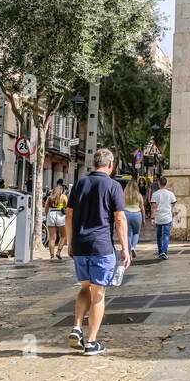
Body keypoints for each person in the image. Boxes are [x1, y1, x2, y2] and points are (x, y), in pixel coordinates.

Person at [64, 148, 130, 356]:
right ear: (110, 165)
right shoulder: (113, 186)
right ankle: (91, 342)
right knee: (98, 292)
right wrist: (125, 249)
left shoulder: (80, 184)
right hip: (101, 246)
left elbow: (69, 214)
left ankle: (76, 326)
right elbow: (119, 218)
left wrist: (70, 242)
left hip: (80, 245)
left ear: (94, 164)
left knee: (85, 287)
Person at [150, 176, 177, 260]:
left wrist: (152, 218)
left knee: (158, 236)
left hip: (158, 218)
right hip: (167, 217)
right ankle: (164, 252)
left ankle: (160, 252)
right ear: (166, 183)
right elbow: (173, 204)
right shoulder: (170, 194)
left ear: (158, 183)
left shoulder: (155, 194)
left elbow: (154, 207)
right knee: (166, 235)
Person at [123, 178, 145, 260]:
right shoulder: (138, 195)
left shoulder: (124, 194)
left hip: (126, 214)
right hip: (137, 214)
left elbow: (120, 206)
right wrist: (144, 219)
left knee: (128, 234)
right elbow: (142, 207)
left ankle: (129, 253)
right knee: (136, 233)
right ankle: (133, 247)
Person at [45, 184, 69, 259]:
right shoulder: (63, 197)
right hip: (60, 215)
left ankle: (52, 256)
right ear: (61, 190)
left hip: (51, 214)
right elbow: (67, 206)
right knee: (63, 236)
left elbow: (46, 208)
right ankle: (58, 252)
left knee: (52, 238)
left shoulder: (49, 197)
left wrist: (47, 216)